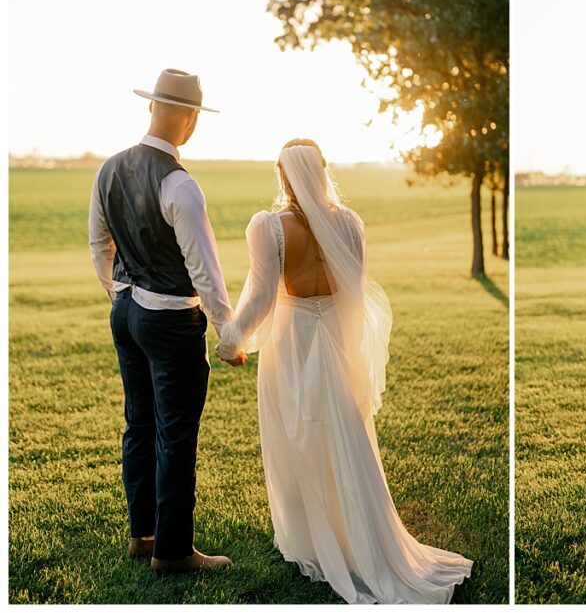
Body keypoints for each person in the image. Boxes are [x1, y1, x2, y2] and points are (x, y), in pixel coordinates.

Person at [215, 139, 473, 604]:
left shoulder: (269, 227)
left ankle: (309, 541)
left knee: (297, 437)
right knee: (345, 437)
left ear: (282, 173)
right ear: (322, 169)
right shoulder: (350, 224)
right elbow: (354, 293)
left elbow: (260, 300)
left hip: (292, 342)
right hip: (335, 340)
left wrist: (232, 340)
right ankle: (352, 533)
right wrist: (350, 351)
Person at [88, 68, 244, 574]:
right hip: (171, 321)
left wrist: (119, 291)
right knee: (175, 435)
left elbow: (99, 245)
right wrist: (229, 334)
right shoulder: (181, 184)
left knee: (138, 423)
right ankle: (172, 551)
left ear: (152, 108)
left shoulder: (108, 169)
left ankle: (143, 534)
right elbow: (204, 270)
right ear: (191, 120)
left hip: (125, 312)